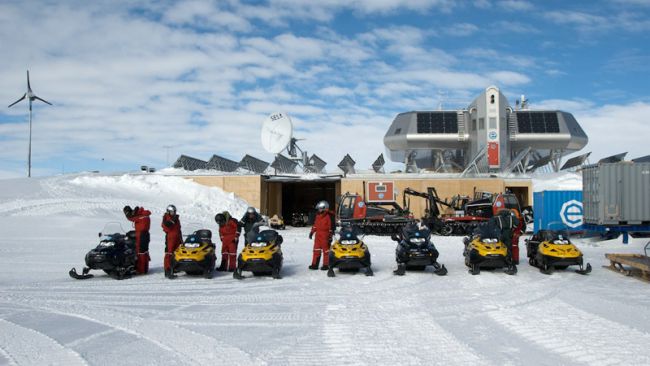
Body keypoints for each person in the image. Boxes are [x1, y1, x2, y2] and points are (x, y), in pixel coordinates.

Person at [123, 205, 151, 274]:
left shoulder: (140, 216)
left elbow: (131, 218)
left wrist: (127, 213)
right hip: (146, 234)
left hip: (141, 235)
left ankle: (140, 270)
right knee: (145, 252)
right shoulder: (145, 214)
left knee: (140, 252)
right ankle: (145, 269)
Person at [309, 200, 335, 270]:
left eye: (320, 208)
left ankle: (326, 265)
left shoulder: (328, 216)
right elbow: (315, 225)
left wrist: (330, 236)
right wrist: (312, 232)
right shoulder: (318, 215)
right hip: (318, 235)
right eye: (318, 209)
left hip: (325, 235)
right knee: (316, 249)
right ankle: (315, 264)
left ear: (325, 208)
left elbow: (331, 227)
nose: (319, 210)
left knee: (326, 250)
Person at [161, 204, 183, 278]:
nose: (173, 213)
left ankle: (174, 267)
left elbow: (179, 229)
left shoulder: (176, 218)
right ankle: (167, 270)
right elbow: (165, 227)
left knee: (176, 252)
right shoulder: (166, 218)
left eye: (174, 211)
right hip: (170, 238)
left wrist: (181, 239)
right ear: (168, 212)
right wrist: (170, 223)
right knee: (169, 253)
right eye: (172, 212)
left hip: (177, 238)